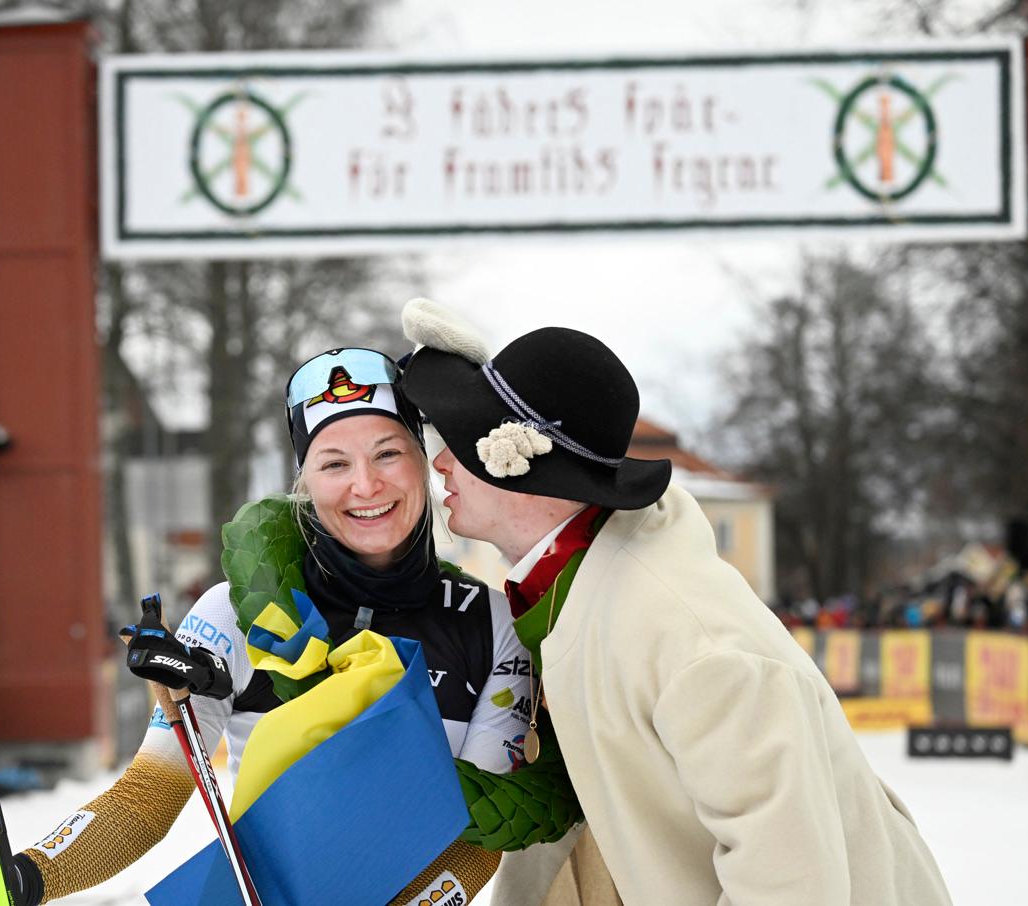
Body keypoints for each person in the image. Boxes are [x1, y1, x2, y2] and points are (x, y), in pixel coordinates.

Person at [0, 348, 551, 906]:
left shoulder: (489, 624)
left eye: (389, 452)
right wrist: (23, 878)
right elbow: (147, 798)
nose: (366, 484)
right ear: (303, 480)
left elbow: (473, 840)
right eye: (333, 463)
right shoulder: (235, 614)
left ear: (424, 459)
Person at [398, 306, 952, 906]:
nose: (440, 463)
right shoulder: (575, 589)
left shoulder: (695, 644)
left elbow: (789, 879)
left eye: (459, 441)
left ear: (524, 467)